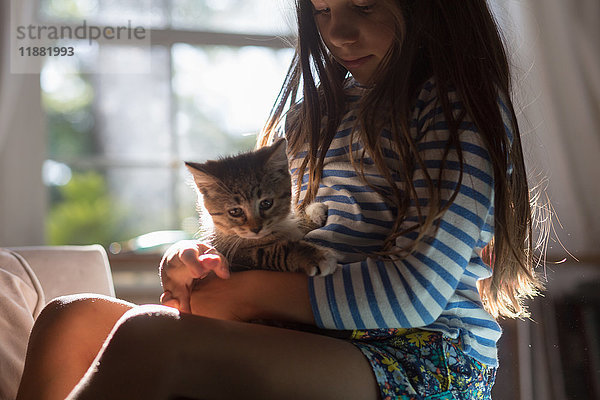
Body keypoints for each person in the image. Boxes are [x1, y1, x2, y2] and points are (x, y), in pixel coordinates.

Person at [16, 1, 544, 399]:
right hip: (318, 332)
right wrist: (206, 262)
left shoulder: (455, 113)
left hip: (422, 356)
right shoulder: (313, 118)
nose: (336, 31)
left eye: (363, 4)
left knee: (148, 336)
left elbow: (414, 295)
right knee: (69, 319)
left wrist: (247, 296)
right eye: (321, 9)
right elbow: (286, 238)